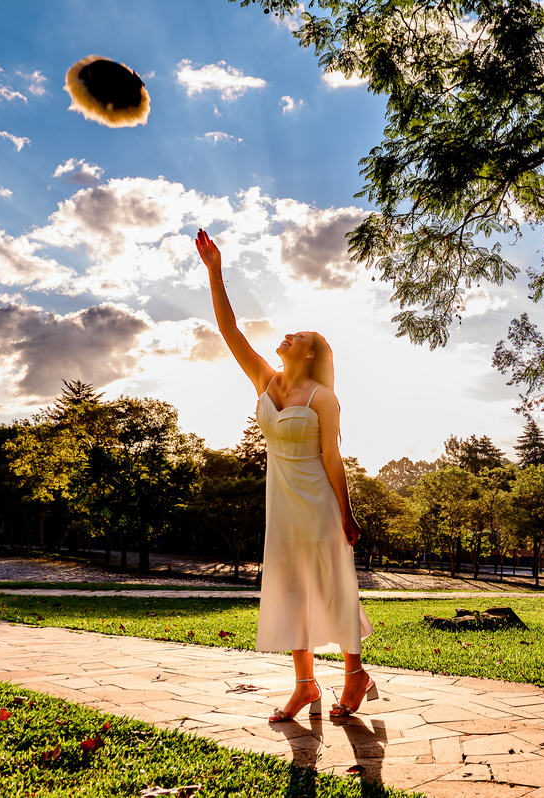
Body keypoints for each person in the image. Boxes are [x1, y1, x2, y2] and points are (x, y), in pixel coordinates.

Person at [195, 228, 376, 722]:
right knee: (293, 590)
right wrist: (215, 272)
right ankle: (304, 686)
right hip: (282, 505)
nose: (288, 336)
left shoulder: (323, 398)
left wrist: (347, 514)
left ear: (311, 353)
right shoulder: (266, 380)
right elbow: (230, 332)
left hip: (319, 504)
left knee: (333, 586)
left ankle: (355, 675)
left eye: (299, 336)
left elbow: (333, 459)